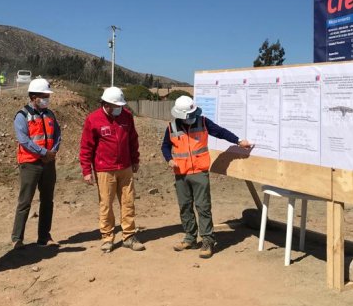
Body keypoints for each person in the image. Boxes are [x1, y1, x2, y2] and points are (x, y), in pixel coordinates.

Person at [162, 96, 253, 259]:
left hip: (199, 173)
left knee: (203, 207)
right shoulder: (171, 127)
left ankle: (207, 241)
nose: (191, 118)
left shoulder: (203, 122)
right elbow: (165, 146)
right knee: (185, 207)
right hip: (181, 174)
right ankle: (190, 238)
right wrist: (169, 159)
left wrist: (238, 141)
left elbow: (221, 132)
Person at [79, 87, 145, 252]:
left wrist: (135, 159)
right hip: (104, 170)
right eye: (115, 106)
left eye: (120, 106)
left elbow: (133, 140)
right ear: (105, 104)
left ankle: (129, 236)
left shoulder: (126, 116)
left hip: (125, 168)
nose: (118, 109)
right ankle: (107, 237)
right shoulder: (93, 119)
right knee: (106, 205)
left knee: (128, 202)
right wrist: (87, 171)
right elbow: (86, 147)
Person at [11, 78, 62, 249]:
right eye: (43, 95)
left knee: (47, 200)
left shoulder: (50, 114)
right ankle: (17, 239)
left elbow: (57, 134)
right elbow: (24, 140)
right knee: (25, 201)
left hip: (48, 163)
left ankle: (44, 237)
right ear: (33, 96)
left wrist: (53, 151)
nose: (46, 98)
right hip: (30, 164)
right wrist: (43, 153)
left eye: (47, 95)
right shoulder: (22, 115)